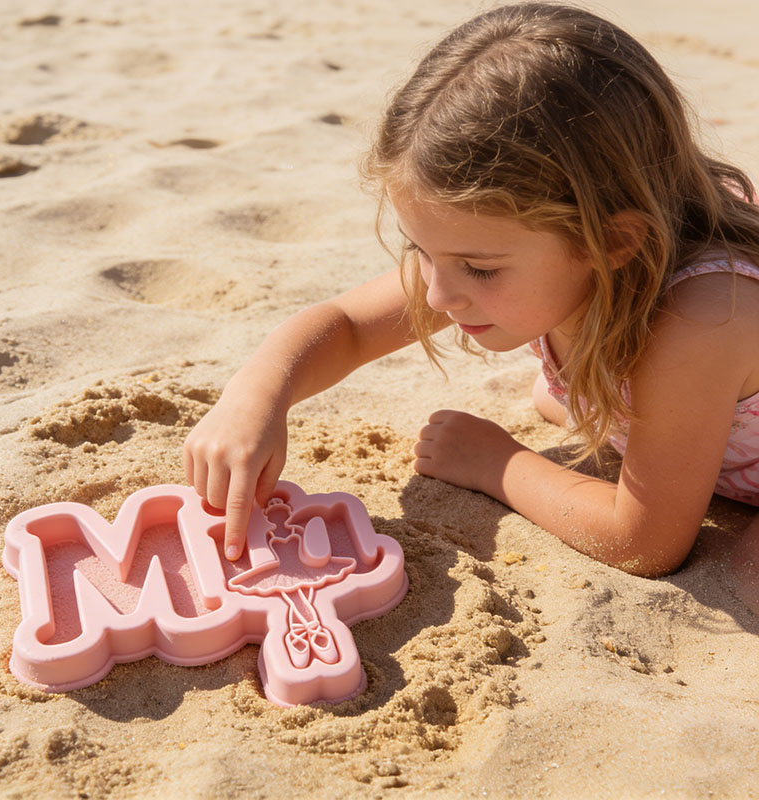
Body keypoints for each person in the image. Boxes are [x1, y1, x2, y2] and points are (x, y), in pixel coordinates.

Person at [183, 3, 759, 602]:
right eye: (421, 251)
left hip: (710, 373)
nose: (436, 294)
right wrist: (255, 398)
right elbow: (349, 326)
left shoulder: (704, 318)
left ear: (612, 242)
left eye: (480, 269)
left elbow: (644, 542)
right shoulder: (488, 251)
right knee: (556, 396)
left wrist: (496, 463)